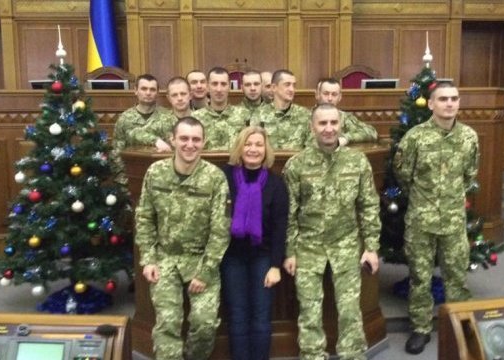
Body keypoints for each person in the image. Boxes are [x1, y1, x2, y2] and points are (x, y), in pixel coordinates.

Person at [283, 103, 381, 360]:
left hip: (345, 243)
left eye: (333, 123)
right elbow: (289, 213)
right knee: (309, 310)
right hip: (308, 245)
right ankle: (312, 354)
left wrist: (371, 247)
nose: (328, 129)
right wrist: (289, 251)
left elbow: (369, 205)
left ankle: (352, 354)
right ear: (312, 127)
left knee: (350, 309)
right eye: (322, 123)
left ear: (340, 125)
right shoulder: (297, 165)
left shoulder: (357, 161)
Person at [393, 82, 479, 355]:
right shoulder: (415, 137)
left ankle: (460, 323)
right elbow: (403, 176)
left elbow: (470, 176)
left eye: (454, 98)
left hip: (453, 221)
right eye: (443, 99)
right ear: (431, 104)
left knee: (456, 275)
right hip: (421, 221)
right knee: (420, 277)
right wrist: (425, 201)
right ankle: (420, 328)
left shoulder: (469, 137)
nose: (450, 104)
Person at [134, 117, 231, 360]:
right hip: (165, 258)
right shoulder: (155, 173)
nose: (190, 145)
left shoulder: (215, 178)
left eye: (196, 139)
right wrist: (148, 259)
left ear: (204, 142)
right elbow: (144, 218)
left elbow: (221, 229)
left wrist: (206, 271)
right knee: (167, 323)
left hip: (200, 260)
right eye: (184, 138)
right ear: (173, 140)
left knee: (205, 324)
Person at [221, 126, 289, 360]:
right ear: (240, 148)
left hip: (263, 258)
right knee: (238, 316)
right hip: (231, 258)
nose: (253, 149)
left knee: (261, 318)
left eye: (259, 144)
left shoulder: (276, 184)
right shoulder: (224, 177)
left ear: (266, 149)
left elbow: (281, 228)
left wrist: (275, 266)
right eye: (248, 144)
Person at [111, 74, 167, 186]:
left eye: (152, 89)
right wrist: (123, 181)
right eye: (144, 88)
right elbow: (117, 152)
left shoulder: (168, 117)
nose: (148, 93)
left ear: (157, 93)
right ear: (135, 90)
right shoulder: (125, 118)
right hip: (131, 179)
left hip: (160, 180)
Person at [129, 76, 192, 152]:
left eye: (183, 94)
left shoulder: (202, 117)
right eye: (174, 95)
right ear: (169, 98)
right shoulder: (162, 120)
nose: (179, 98)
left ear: (190, 95)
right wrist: (156, 141)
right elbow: (135, 133)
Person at [192, 67, 249, 150]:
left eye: (223, 84)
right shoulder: (195, 117)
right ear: (208, 87)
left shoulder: (244, 114)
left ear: (229, 86)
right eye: (215, 84)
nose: (219, 89)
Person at [255, 69, 311, 150]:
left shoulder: (305, 115)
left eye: (293, 85)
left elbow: (310, 147)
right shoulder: (258, 115)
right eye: (287, 85)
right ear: (274, 87)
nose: (292, 89)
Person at [315, 77, 378, 145]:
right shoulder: (305, 117)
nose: (330, 98)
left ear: (340, 97)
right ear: (317, 95)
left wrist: (346, 138)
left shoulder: (345, 117)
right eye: (326, 94)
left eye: (334, 94)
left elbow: (372, 132)